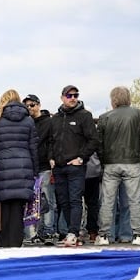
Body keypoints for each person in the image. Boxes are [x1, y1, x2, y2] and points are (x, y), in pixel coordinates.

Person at [94, 86, 140, 245]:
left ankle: (104, 235)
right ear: (129, 98)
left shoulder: (104, 117)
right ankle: (138, 235)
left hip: (111, 163)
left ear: (113, 100)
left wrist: (104, 161)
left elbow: (99, 144)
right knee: (135, 200)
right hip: (132, 162)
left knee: (107, 201)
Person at [48, 84, 98, 247]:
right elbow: (50, 140)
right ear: (62, 97)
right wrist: (51, 157)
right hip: (59, 166)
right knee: (63, 201)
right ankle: (72, 232)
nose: (73, 98)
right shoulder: (55, 118)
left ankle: (73, 233)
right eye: (69, 96)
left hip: (76, 166)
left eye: (76, 95)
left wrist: (82, 158)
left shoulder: (85, 115)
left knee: (75, 199)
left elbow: (93, 140)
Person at [0, 90, 39, 248]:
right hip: (23, 164)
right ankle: (16, 240)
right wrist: (35, 170)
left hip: (4, 164)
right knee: (18, 205)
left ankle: (4, 239)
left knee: (5, 204)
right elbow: (33, 146)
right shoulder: (28, 120)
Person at [24, 94, 55, 244]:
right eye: (27, 106)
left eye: (32, 105)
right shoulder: (25, 122)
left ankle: (47, 230)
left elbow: (52, 142)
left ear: (39, 105)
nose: (30, 108)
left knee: (47, 199)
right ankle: (31, 233)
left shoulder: (48, 122)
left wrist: (51, 157)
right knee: (30, 202)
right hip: (29, 166)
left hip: (44, 165)